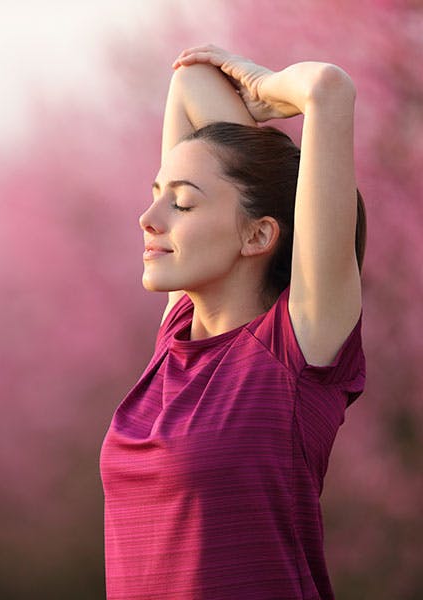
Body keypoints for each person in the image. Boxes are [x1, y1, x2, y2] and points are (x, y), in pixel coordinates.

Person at [99, 44, 366, 600]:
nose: (148, 219)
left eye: (183, 204)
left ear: (259, 236)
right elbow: (189, 81)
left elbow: (328, 90)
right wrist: (256, 147)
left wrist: (263, 87)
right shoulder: (175, 339)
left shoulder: (295, 352)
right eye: (156, 196)